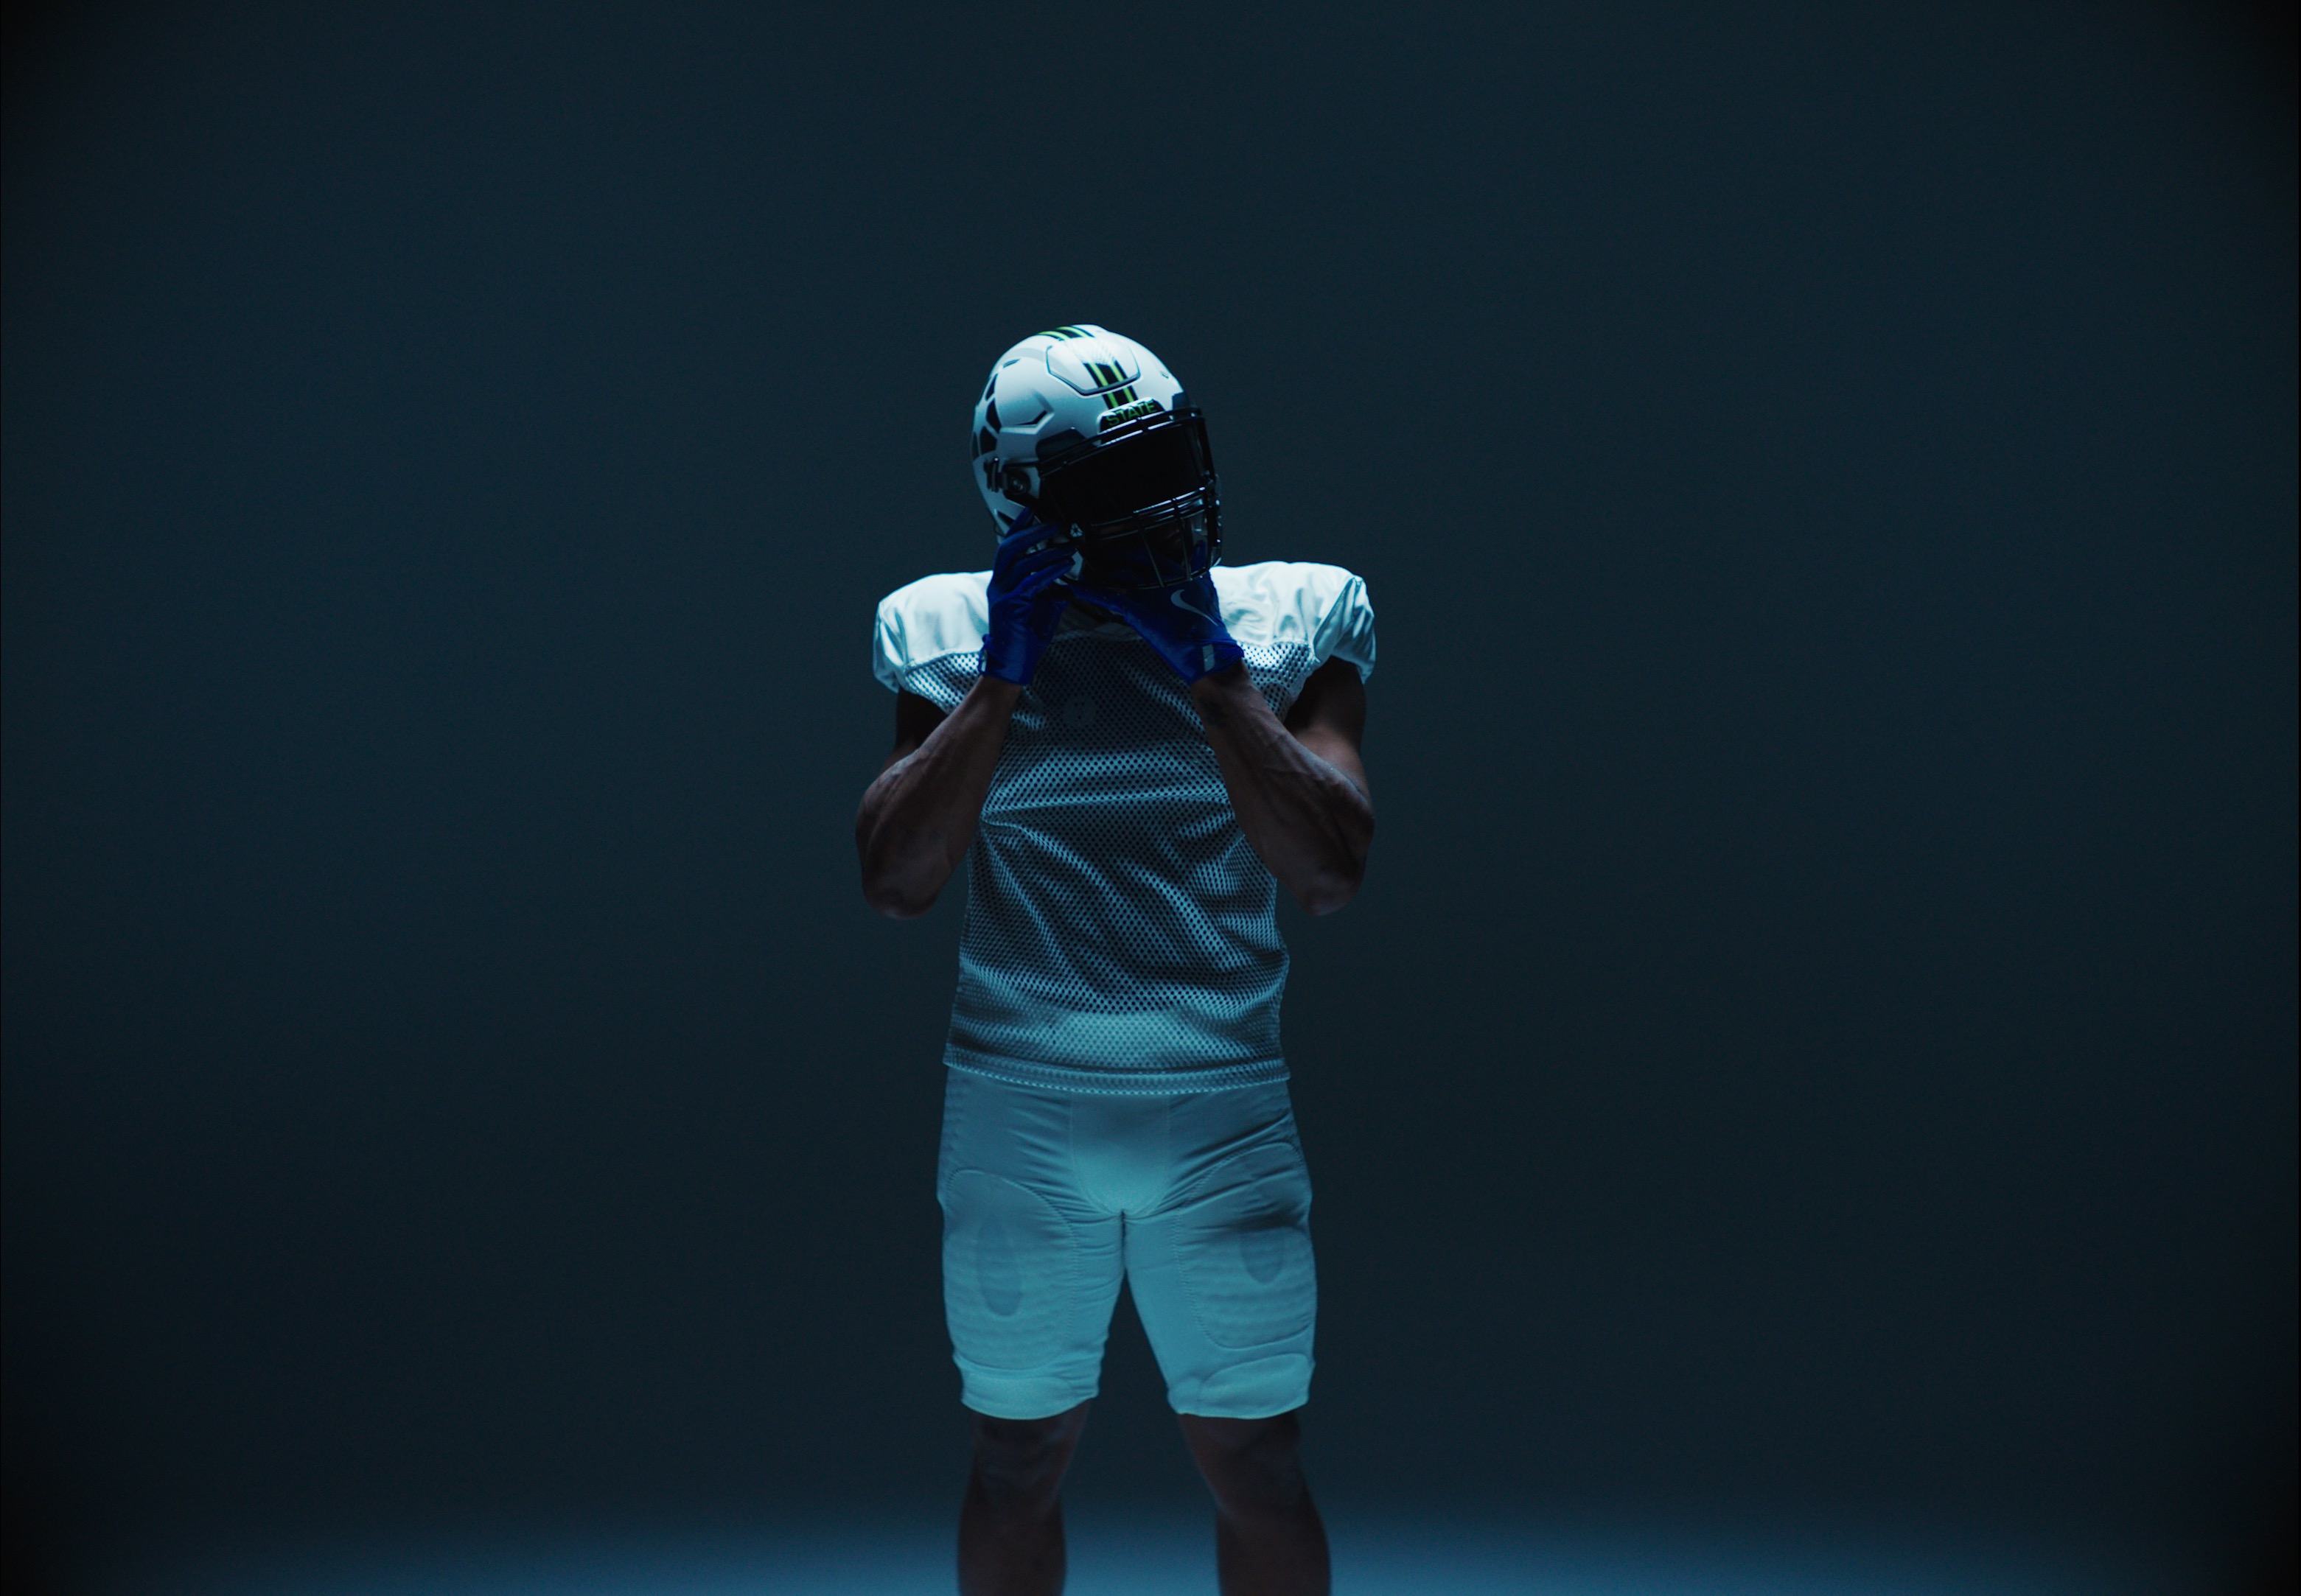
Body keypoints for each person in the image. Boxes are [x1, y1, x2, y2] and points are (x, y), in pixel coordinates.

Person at [855, 325, 1375, 1596]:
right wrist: (997, 681)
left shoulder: (1291, 613)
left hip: (1223, 1104)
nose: (1161, 504)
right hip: (1016, 1109)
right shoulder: (947, 628)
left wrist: (1214, 671)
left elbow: (1328, 867)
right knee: (1015, 1460)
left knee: (1256, 1463)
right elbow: (898, 880)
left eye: (1168, 460)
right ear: (1030, 501)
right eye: (1115, 481)